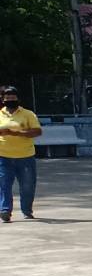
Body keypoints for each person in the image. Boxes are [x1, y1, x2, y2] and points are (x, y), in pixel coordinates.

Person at [0, 86, 43, 222]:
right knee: (4, 185)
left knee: (27, 186)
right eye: (7, 98)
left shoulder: (28, 114)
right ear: (3, 100)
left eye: (13, 98)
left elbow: (37, 131)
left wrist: (17, 133)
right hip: (3, 156)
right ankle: (5, 210)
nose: (10, 100)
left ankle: (27, 211)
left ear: (18, 99)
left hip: (25, 156)